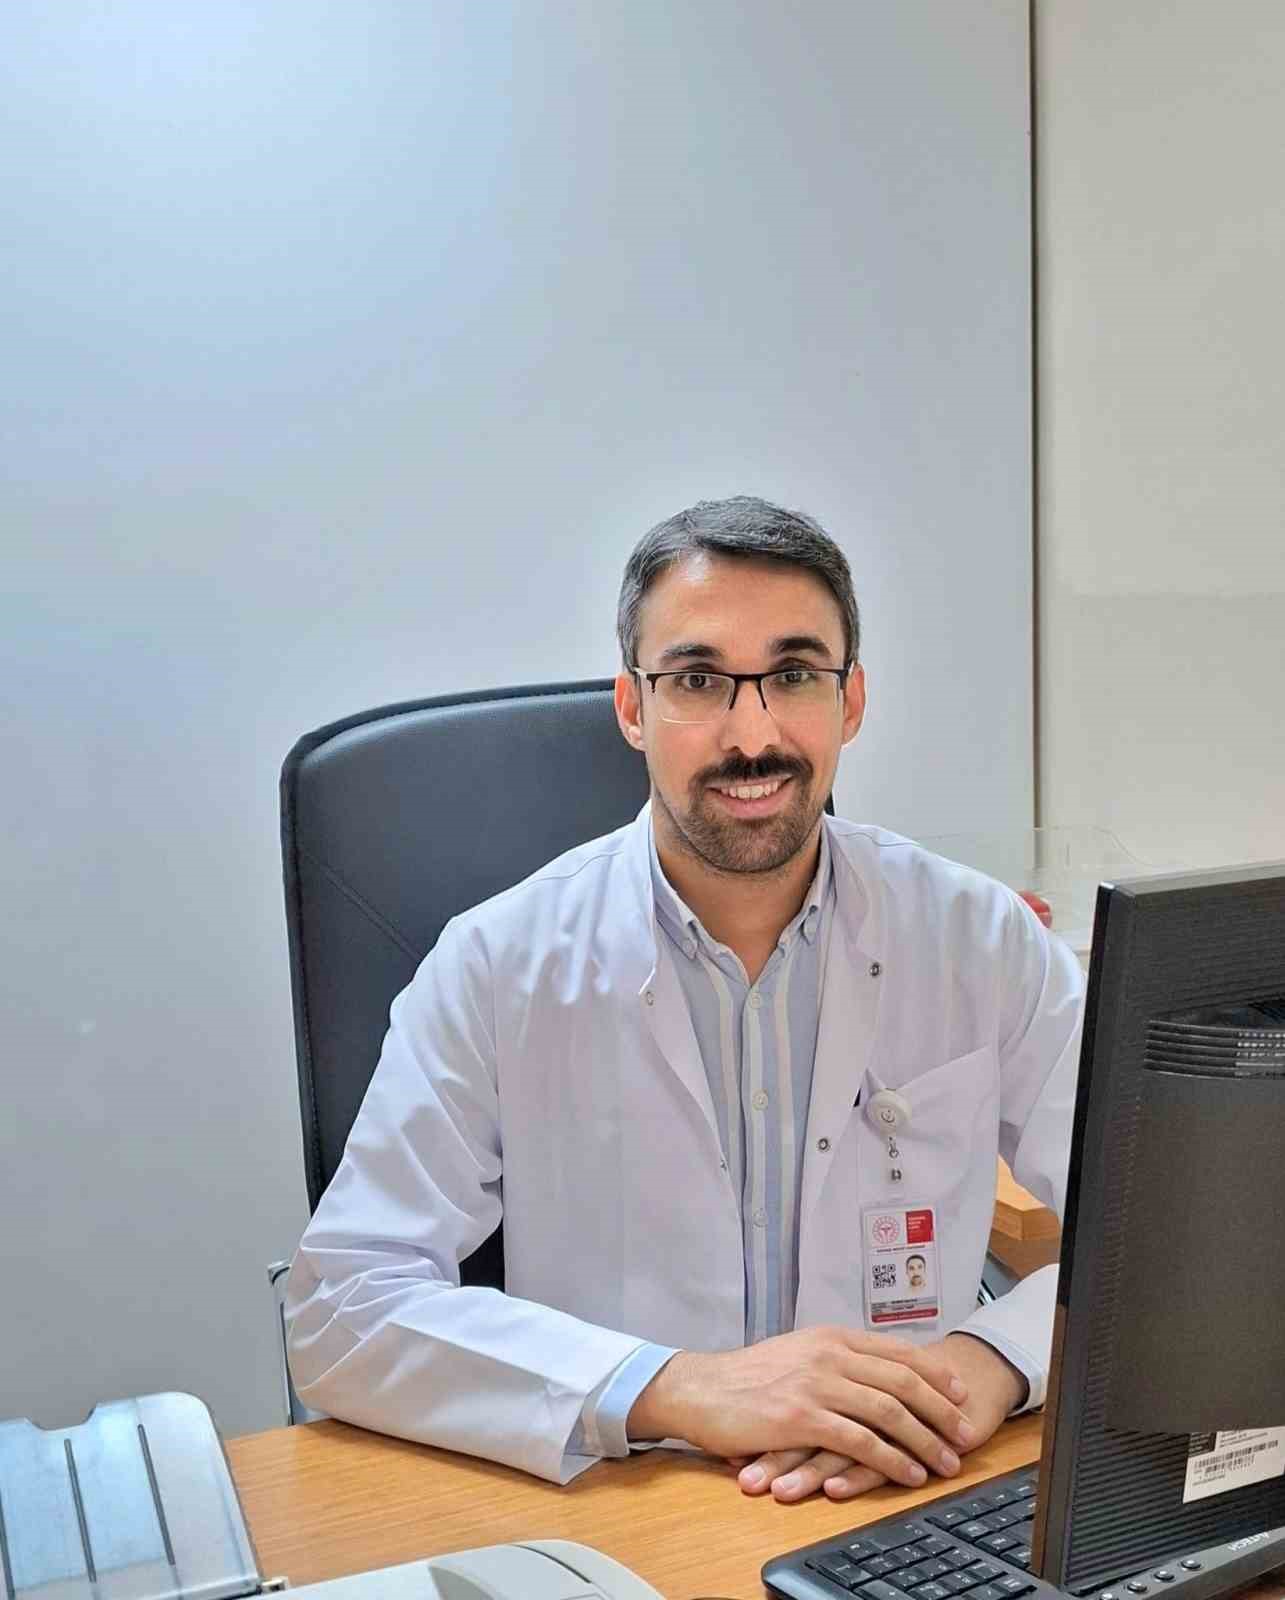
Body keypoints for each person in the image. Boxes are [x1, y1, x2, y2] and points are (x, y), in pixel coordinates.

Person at [284, 495, 1083, 1505]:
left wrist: (990, 1359)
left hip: (903, 1488)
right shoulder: (497, 964)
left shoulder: (976, 937)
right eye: (698, 680)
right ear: (632, 707)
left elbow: (1160, 1225)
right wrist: (678, 1387)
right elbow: (342, 1307)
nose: (753, 734)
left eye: (794, 674)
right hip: (631, 1494)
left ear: (850, 701)